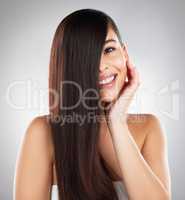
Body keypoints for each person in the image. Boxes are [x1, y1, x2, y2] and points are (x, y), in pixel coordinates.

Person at [14, 8, 171, 200]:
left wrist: (117, 123)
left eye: (109, 50)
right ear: (69, 67)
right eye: (86, 58)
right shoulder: (43, 133)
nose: (100, 66)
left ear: (125, 53)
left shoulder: (148, 128)